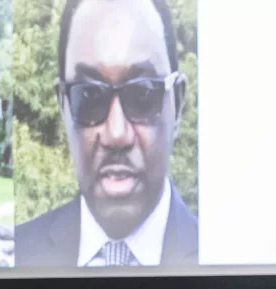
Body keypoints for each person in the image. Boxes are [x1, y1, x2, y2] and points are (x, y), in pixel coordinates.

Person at [13, 0, 197, 268]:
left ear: (177, 104)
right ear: (63, 106)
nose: (116, 134)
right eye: (88, 96)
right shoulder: (18, 255)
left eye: (143, 94)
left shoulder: (228, 257)